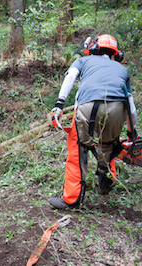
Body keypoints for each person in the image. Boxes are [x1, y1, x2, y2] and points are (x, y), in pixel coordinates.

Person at [50, 34, 138, 209]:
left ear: (92, 48)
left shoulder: (83, 61)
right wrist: (131, 132)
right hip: (118, 108)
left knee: (77, 146)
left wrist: (59, 105)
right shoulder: (121, 69)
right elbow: (131, 105)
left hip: (87, 106)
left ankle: (72, 199)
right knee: (109, 144)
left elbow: (71, 76)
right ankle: (105, 181)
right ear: (115, 52)